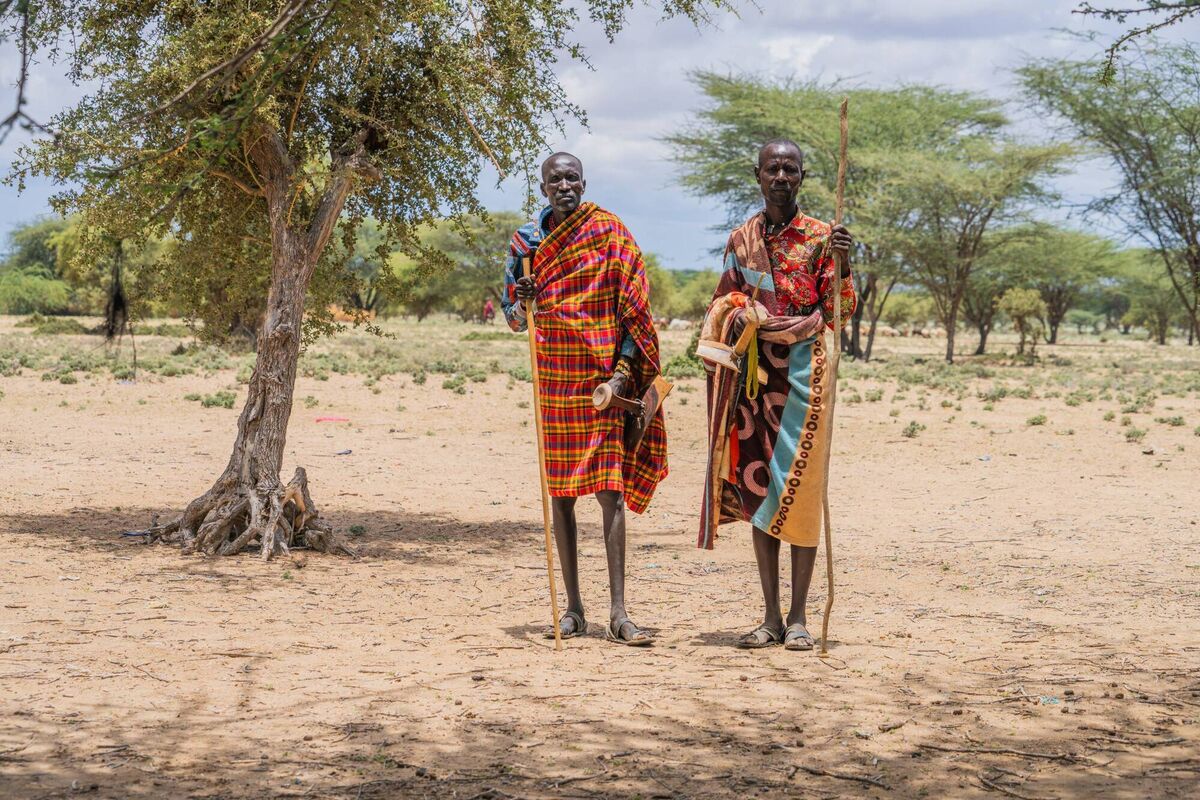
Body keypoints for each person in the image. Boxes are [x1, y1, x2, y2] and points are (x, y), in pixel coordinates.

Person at [502, 152, 668, 646]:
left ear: (584, 181)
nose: (565, 186)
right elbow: (513, 318)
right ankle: (573, 608)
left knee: (609, 492)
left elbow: (633, 309)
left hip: (602, 382)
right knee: (561, 496)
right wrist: (524, 299)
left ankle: (619, 612)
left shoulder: (611, 233)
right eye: (556, 180)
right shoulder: (527, 243)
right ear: (544, 187)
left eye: (572, 177)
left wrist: (621, 376)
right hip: (553, 380)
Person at [696, 139, 855, 651]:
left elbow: (839, 314)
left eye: (790, 169)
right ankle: (769, 617)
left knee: (802, 492)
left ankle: (800, 617)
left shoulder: (823, 238)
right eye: (773, 169)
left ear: (803, 177)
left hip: (807, 373)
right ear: (758, 175)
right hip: (754, 374)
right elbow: (722, 299)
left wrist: (844, 267)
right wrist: (740, 310)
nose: (781, 176)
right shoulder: (741, 240)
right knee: (760, 489)